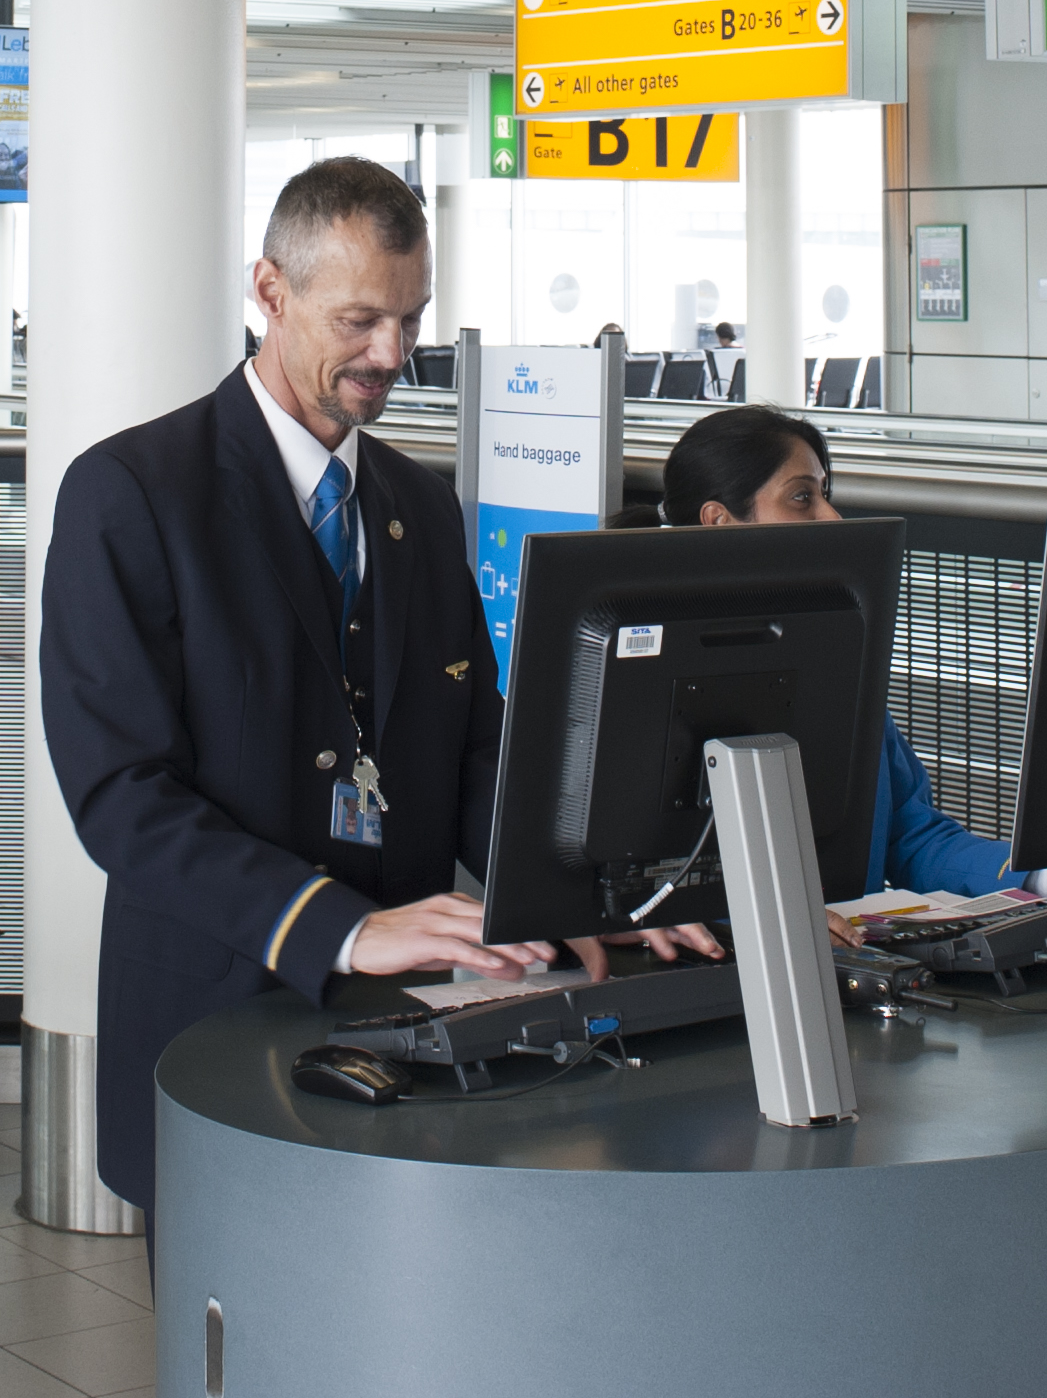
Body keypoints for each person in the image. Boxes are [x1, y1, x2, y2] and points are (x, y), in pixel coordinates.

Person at [37, 157, 694, 1218]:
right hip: (222, 1012)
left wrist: (585, 896)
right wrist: (333, 925)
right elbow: (121, 797)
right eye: (357, 321)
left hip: (409, 1023)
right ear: (267, 292)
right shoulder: (132, 496)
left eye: (410, 318)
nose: (390, 356)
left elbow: (478, 748)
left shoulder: (418, 508)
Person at [658, 404, 1047, 907]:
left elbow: (913, 840)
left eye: (825, 495)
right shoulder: (646, 685)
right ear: (719, 522)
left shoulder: (840, 669)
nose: (832, 518)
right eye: (801, 498)